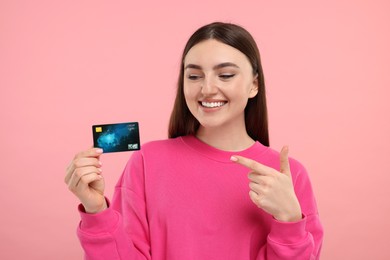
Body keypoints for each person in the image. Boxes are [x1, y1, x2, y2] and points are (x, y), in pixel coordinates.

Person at [65, 22, 324, 259]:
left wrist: (289, 220)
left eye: (225, 75)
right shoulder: (147, 162)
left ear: (254, 85)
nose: (207, 89)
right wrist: (96, 210)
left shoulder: (288, 177)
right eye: (194, 76)